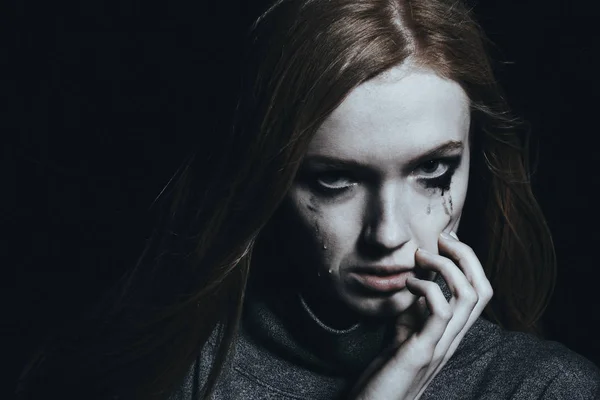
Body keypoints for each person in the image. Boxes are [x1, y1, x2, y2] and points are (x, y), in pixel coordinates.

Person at [16, 0, 600, 399]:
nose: (390, 233)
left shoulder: (543, 388)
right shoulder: (163, 377)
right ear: (265, 177)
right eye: (334, 180)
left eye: (432, 170)